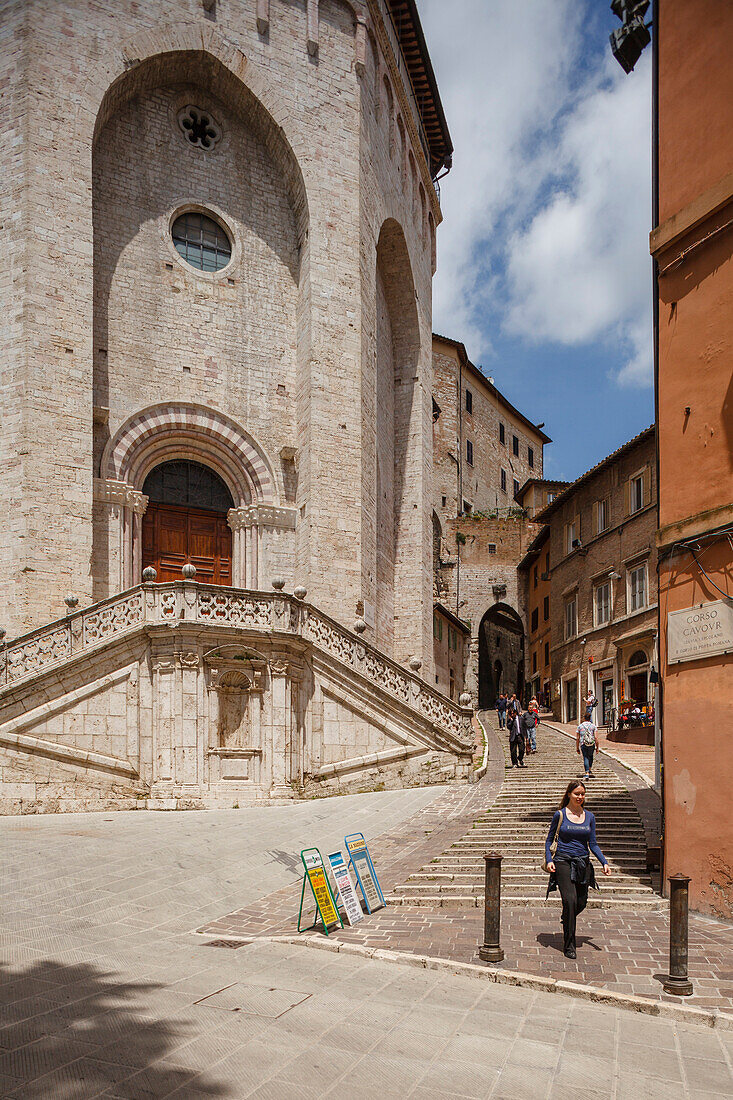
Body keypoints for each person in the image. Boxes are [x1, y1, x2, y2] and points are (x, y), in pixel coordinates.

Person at [545, 780, 611, 958]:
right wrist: (549, 859)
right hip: (563, 862)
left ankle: (567, 916)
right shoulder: (560, 815)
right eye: (577, 794)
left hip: (583, 862)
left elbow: (593, 844)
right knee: (570, 900)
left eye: (583, 794)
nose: (580, 797)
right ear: (569, 794)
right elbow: (549, 840)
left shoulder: (589, 817)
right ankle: (569, 946)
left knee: (581, 902)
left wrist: (604, 862)